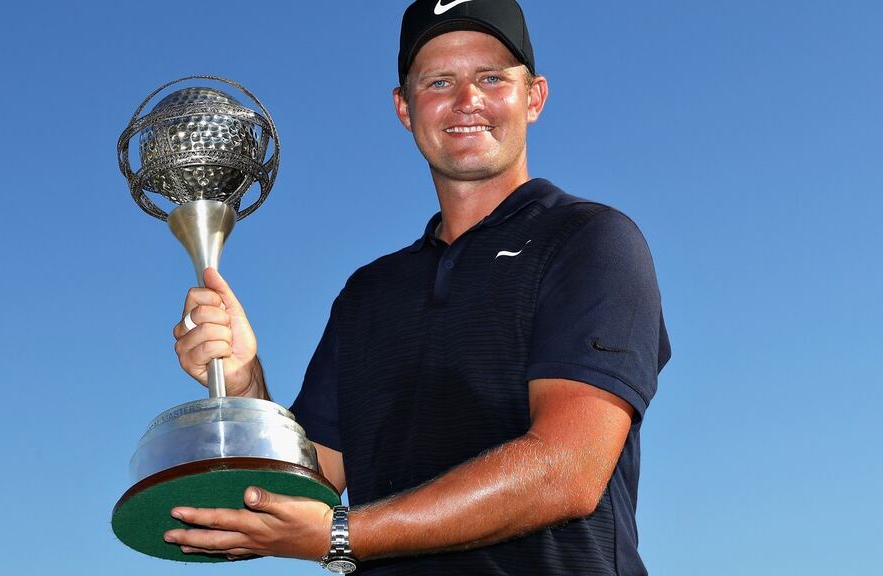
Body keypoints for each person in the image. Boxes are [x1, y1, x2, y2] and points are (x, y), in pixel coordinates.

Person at [164, 0, 671, 574]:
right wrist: (243, 381)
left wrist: (340, 536)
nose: (467, 101)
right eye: (439, 81)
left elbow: (566, 470)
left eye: (491, 78)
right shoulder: (368, 294)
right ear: (405, 108)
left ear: (534, 97)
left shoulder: (590, 240)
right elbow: (307, 491)